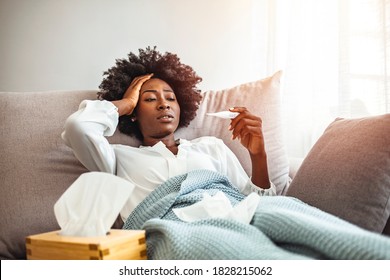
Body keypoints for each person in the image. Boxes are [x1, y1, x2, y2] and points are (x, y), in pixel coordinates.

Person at [62, 46, 276, 222]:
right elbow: (78, 127)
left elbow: (255, 205)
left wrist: (259, 157)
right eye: (149, 99)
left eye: (171, 98)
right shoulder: (119, 158)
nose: (164, 104)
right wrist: (125, 104)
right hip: (170, 234)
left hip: (233, 223)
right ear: (134, 113)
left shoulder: (212, 147)